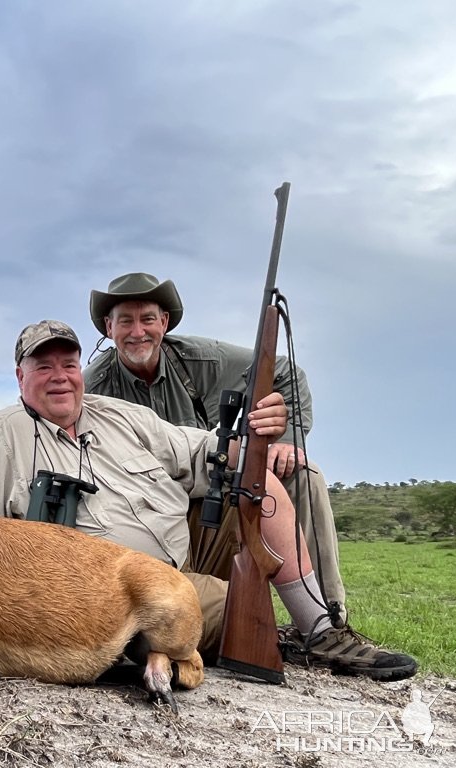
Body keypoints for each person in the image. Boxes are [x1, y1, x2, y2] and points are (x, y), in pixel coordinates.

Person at [0, 319, 417, 681]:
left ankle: (323, 630)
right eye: (43, 367)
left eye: (68, 365)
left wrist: (255, 441)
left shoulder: (119, 415)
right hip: (121, 593)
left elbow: (200, 451)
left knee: (261, 482)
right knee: (241, 613)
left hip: (187, 549)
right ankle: (249, 637)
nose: (60, 378)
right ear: (19, 376)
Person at [82, 273, 412, 676]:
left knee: (303, 476)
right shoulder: (92, 386)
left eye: (147, 319)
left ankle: (325, 628)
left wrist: (285, 437)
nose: (138, 332)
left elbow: (287, 373)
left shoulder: (204, 360)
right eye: (125, 321)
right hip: (153, 512)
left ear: (164, 323)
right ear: (108, 328)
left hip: (213, 495)